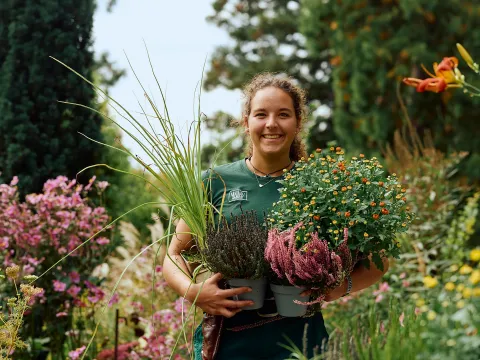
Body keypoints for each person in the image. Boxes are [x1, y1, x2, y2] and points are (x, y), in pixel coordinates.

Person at [163, 73, 389, 360]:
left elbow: (378, 261)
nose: (271, 124)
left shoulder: (322, 186)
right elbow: (173, 253)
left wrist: (336, 289)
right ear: (246, 122)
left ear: (297, 123)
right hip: (228, 344)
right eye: (261, 114)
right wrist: (193, 291)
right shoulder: (215, 182)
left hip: (301, 342)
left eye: (283, 114)